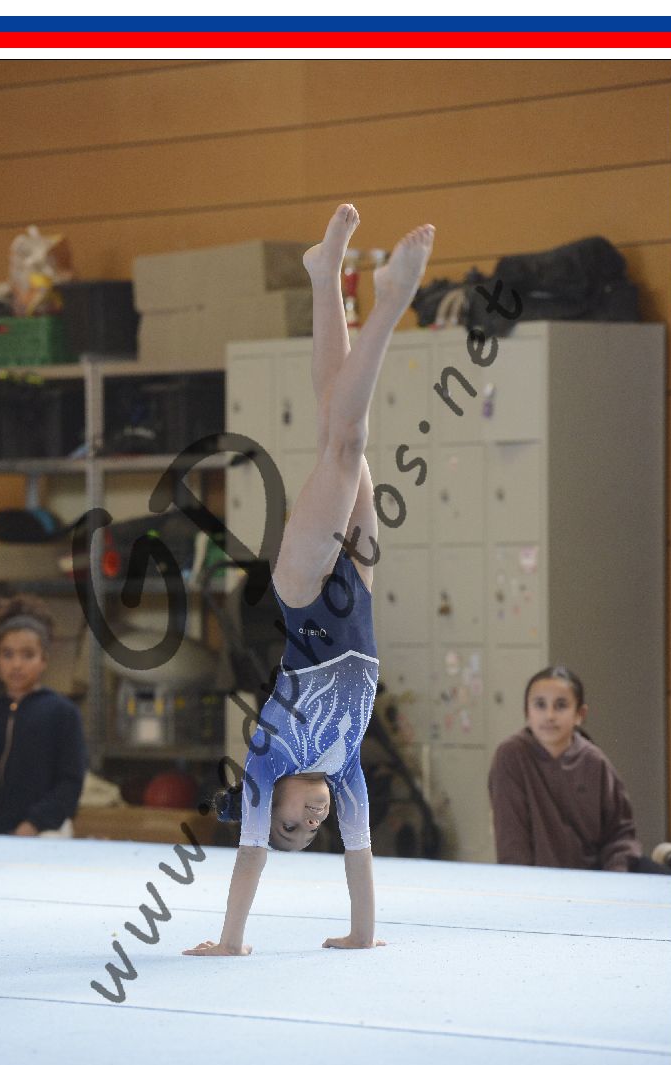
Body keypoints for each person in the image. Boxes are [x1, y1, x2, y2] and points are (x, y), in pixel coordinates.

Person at [184, 204, 435, 956]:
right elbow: (360, 858)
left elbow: (249, 858)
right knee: (338, 429)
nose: (310, 822)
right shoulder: (345, 770)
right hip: (355, 589)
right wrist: (362, 934)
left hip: (304, 592)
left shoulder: (267, 760)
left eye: (292, 825)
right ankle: (325, 275)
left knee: (347, 442)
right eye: (309, 832)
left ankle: (390, 300)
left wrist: (230, 941)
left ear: (271, 807)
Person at [488, 665, 658, 872]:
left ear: (580, 714)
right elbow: (512, 840)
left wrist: (615, 877)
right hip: (533, 881)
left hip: (593, 879)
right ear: (527, 712)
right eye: (540, 705)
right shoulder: (511, 756)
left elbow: (620, 835)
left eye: (560, 705)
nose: (549, 715)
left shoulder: (595, 762)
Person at [0, 595, 87, 836]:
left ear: (44, 659)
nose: (16, 664)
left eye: (27, 655)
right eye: (8, 654)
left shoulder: (62, 714)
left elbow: (70, 781)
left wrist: (34, 824)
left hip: (44, 831)